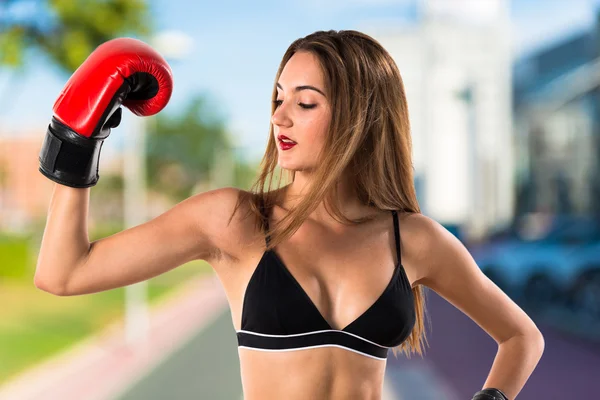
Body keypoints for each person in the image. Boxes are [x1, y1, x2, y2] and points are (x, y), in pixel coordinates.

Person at [34, 31, 544, 400]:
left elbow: (521, 337)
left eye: (305, 102)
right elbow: (63, 273)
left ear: (359, 116)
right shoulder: (235, 219)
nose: (279, 116)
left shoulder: (413, 238)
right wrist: (75, 142)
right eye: (278, 98)